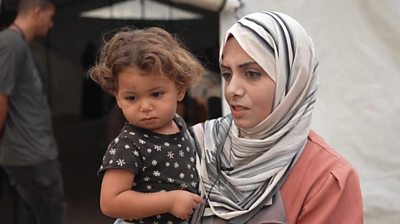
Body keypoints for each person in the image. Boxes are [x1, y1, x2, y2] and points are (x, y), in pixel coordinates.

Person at [190, 11, 363, 224]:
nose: (231, 90)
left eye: (251, 73)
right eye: (227, 74)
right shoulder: (199, 144)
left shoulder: (326, 178)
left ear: (291, 80)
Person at [89, 27, 205, 224]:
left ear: (179, 89)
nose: (145, 106)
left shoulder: (178, 123)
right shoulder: (128, 145)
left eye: (156, 94)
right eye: (131, 97)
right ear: (117, 97)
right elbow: (110, 202)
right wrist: (169, 201)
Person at [0, 0, 66, 224]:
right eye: (50, 17)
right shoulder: (10, 42)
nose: (52, 24)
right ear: (37, 12)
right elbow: (1, 97)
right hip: (30, 154)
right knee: (50, 215)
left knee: (30, 211)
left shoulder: (19, 44)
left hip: (33, 151)